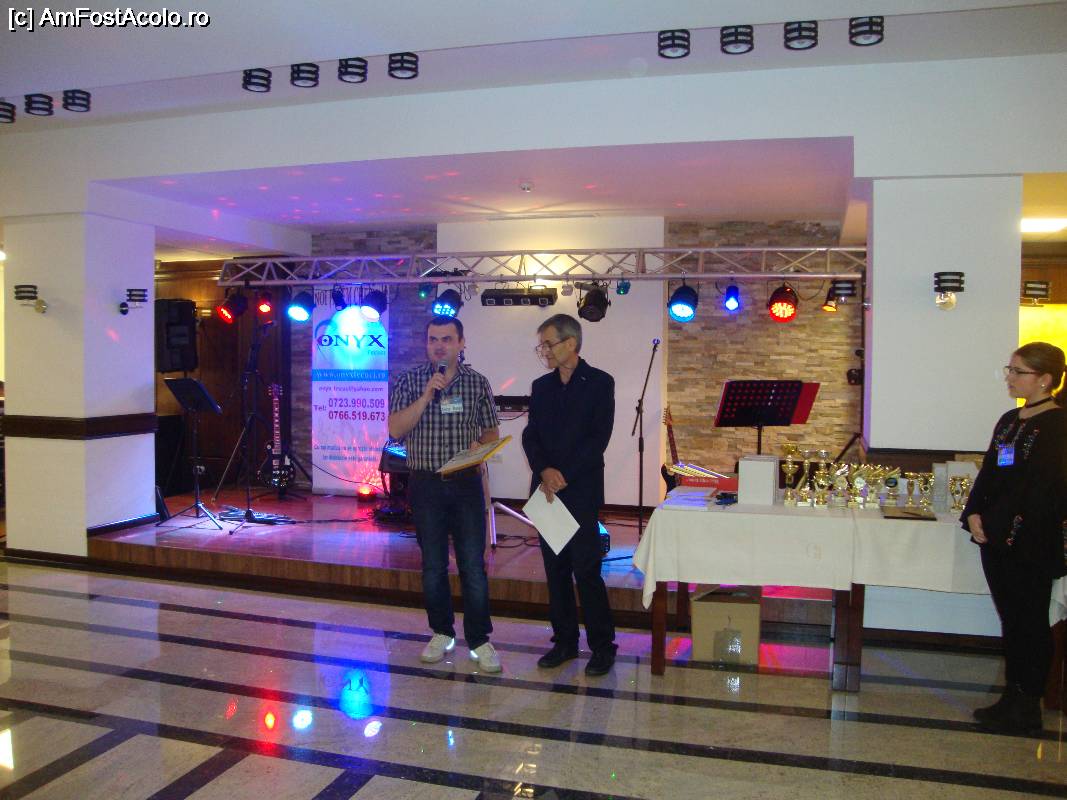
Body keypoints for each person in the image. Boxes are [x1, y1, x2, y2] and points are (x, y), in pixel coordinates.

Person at [961, 341, 1067, 734]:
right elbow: (990, 471)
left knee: (1031, 620)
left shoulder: (1058, 425)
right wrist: (974, 513)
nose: (1010, 377)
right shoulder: (1010, 419)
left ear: (1045, 380)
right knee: (1011, 619)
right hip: (995, 535)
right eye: (1010, 369)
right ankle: (1012, 696)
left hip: (1030, 540)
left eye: (1018, 371)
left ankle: (1028, 703)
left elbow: (1045, 489)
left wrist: (1006, 524)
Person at [389, 315, 502, 672]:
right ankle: (442, 632)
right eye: (433, 339)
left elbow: (492, 434)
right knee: (433, 565)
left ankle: (480, 640)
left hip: (465, 483)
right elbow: (395, 429)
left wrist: (480, 447)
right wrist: (427, 395)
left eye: (447, 339)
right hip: (425, 485)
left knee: (472, 565)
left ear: (461, 343)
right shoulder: (410, 381)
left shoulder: (476, 383)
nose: (439, 346)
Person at [522, 313, 618, 676]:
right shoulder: (541, 387)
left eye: (548, 344)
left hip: (581, 491)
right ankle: (564, 641)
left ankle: (602, 646)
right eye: (542, 345)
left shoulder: (600, 383)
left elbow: (598, 439)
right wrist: (545, 471)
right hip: (547, 492)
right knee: (556, 570)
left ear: (571, 343)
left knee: (586, 570)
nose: (544, 351)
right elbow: (531, 436)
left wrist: (564, 475)